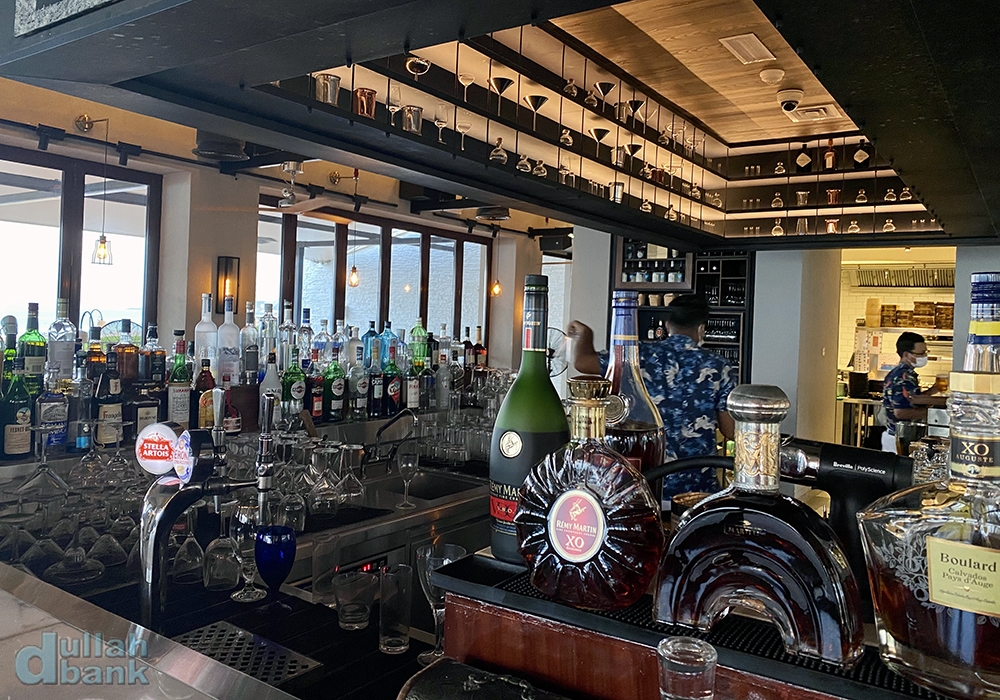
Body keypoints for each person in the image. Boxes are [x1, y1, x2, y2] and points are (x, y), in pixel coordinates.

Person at [568, 294, 736, 509]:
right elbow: (730, 430)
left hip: (646, 480)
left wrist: (585, 334)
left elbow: (583, 362)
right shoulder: (718, 366)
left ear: (667, 325)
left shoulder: (640, 356)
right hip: (698, 488)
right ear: (702, 328)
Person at [881, 331, 939, 453]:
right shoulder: (903, 377)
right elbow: (901, 412)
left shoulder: (903, 374)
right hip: (900, 440)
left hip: (899, 437)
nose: (924, 356)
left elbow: (910, 399)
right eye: (920, 353)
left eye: (925, 352)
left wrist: (931, 391)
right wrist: (934, 414)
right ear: (907, 354)